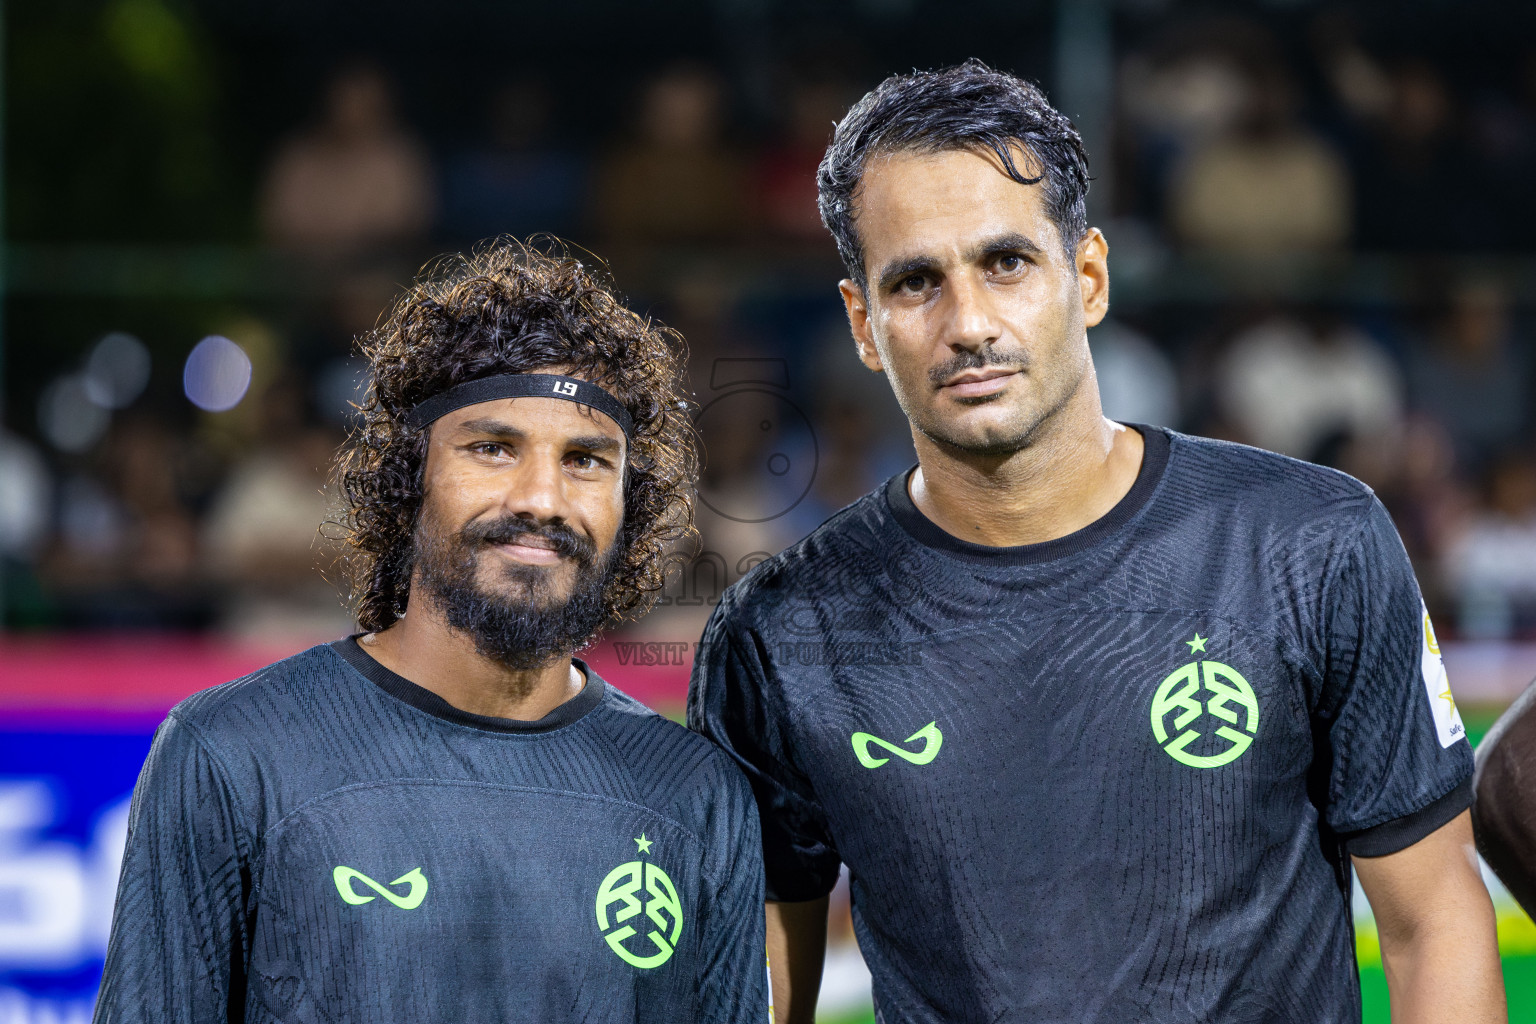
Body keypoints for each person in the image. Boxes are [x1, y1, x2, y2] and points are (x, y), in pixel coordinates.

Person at [689, 61, 1504, 1022]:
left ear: (1088, 277)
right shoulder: (781, 633)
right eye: (915, 282)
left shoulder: (1310, 543)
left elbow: (1432, 921)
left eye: (1006, 263)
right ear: (865, 325)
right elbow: (753, 993)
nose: (969, 323)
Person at [96, 243, 769, 1023]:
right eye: (493, 448)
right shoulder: (231, 753)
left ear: (632, 504)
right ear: (408, 475)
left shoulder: (696, 796)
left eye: (586, 460)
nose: (542, 498)